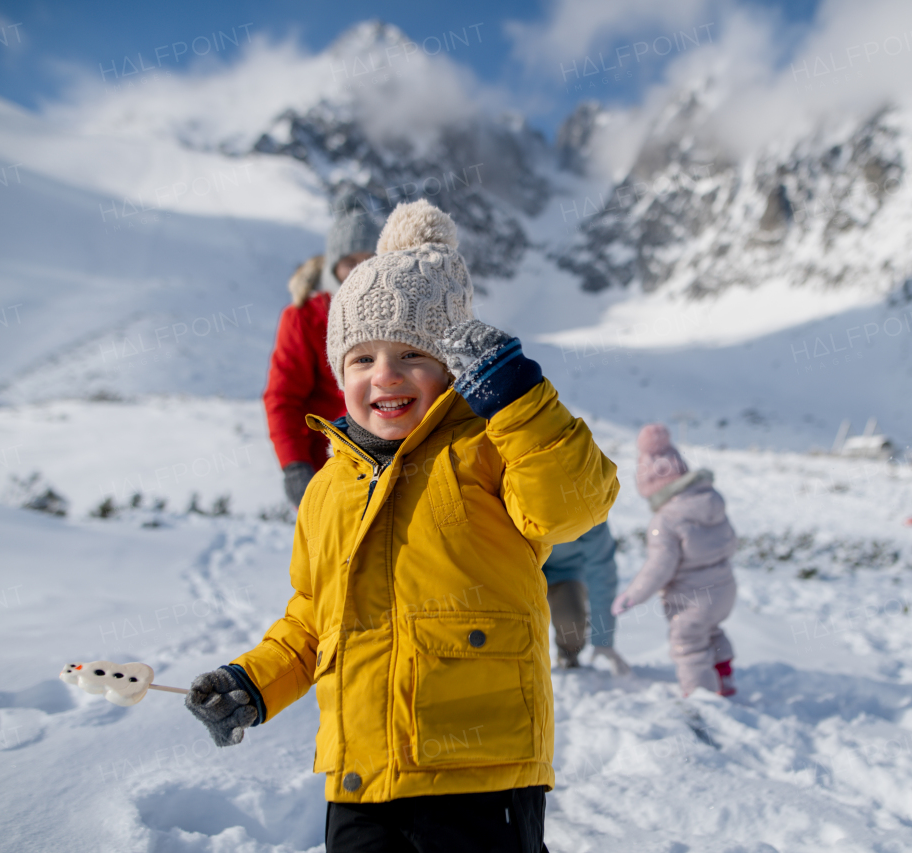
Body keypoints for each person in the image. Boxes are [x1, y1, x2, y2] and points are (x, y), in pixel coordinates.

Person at [185, 199, 619, 853]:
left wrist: (519, 401)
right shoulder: (329, 487)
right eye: (361, 358)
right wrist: (253, 682)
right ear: (339, 372)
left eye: (412, 352)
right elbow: (312, 618)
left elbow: (575, 501)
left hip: (480, 774)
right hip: (360, 778)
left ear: (450, 366)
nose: (384, 373)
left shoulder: (487, 445)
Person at [264, 187, 380, 506]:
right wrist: (294, 466)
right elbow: (283, 397)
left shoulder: (393, 316)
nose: (359, 270)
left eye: (369, 260)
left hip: (392, 467)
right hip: (329, 470)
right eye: (349, 261)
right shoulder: (305, 318)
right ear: (333, 267)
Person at [611, 424, 737, 697]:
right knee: (712, 631)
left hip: (693, 599)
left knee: (688, 643)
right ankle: (724, 677)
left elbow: (659, 567)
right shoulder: (711, 499)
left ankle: (702, 698)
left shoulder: (665, 520)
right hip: (725, 589)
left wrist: (632, 596)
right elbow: (731, 540)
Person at [543, 522, 630, 675]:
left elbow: (601, 574)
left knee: (570, 621)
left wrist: (603, 640)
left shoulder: (589, 512)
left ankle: (568, 658)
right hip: (522, 567)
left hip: (565, 571)